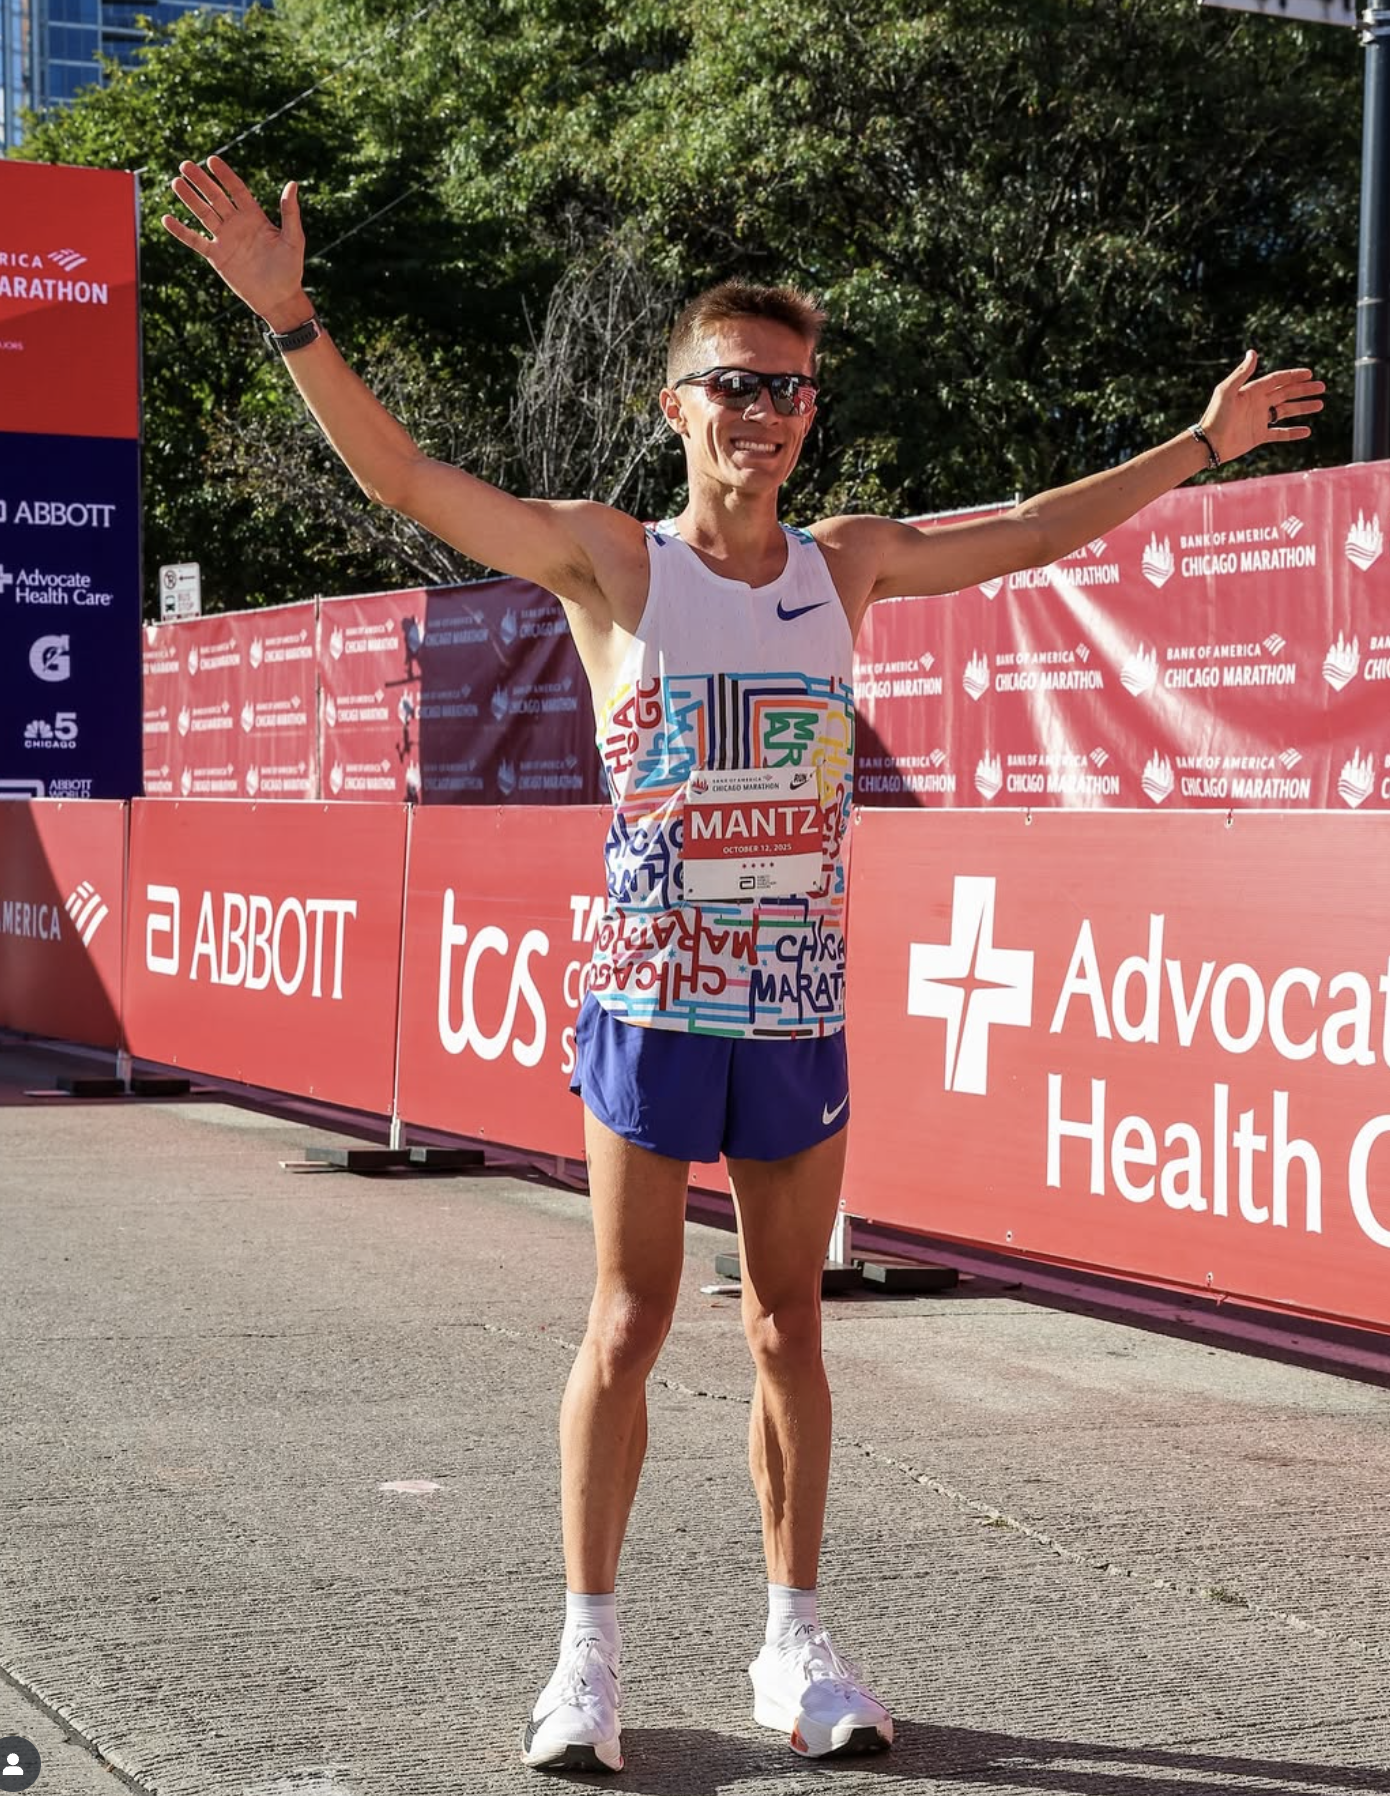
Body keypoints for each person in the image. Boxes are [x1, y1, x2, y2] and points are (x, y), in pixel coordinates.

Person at [163, 157, 1325, 1773]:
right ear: (675, 406)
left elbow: (1034, 531)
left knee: (789, 1325)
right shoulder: (612, 563)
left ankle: (796, 1644)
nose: (765, 412)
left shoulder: (841, 564)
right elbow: (411, 479)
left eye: (789, 390)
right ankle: (585, 1661)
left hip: (793, 1008)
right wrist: (289, 316)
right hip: (646, 1002)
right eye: (735, 386)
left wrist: (1199, 446)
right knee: (629, 1321)